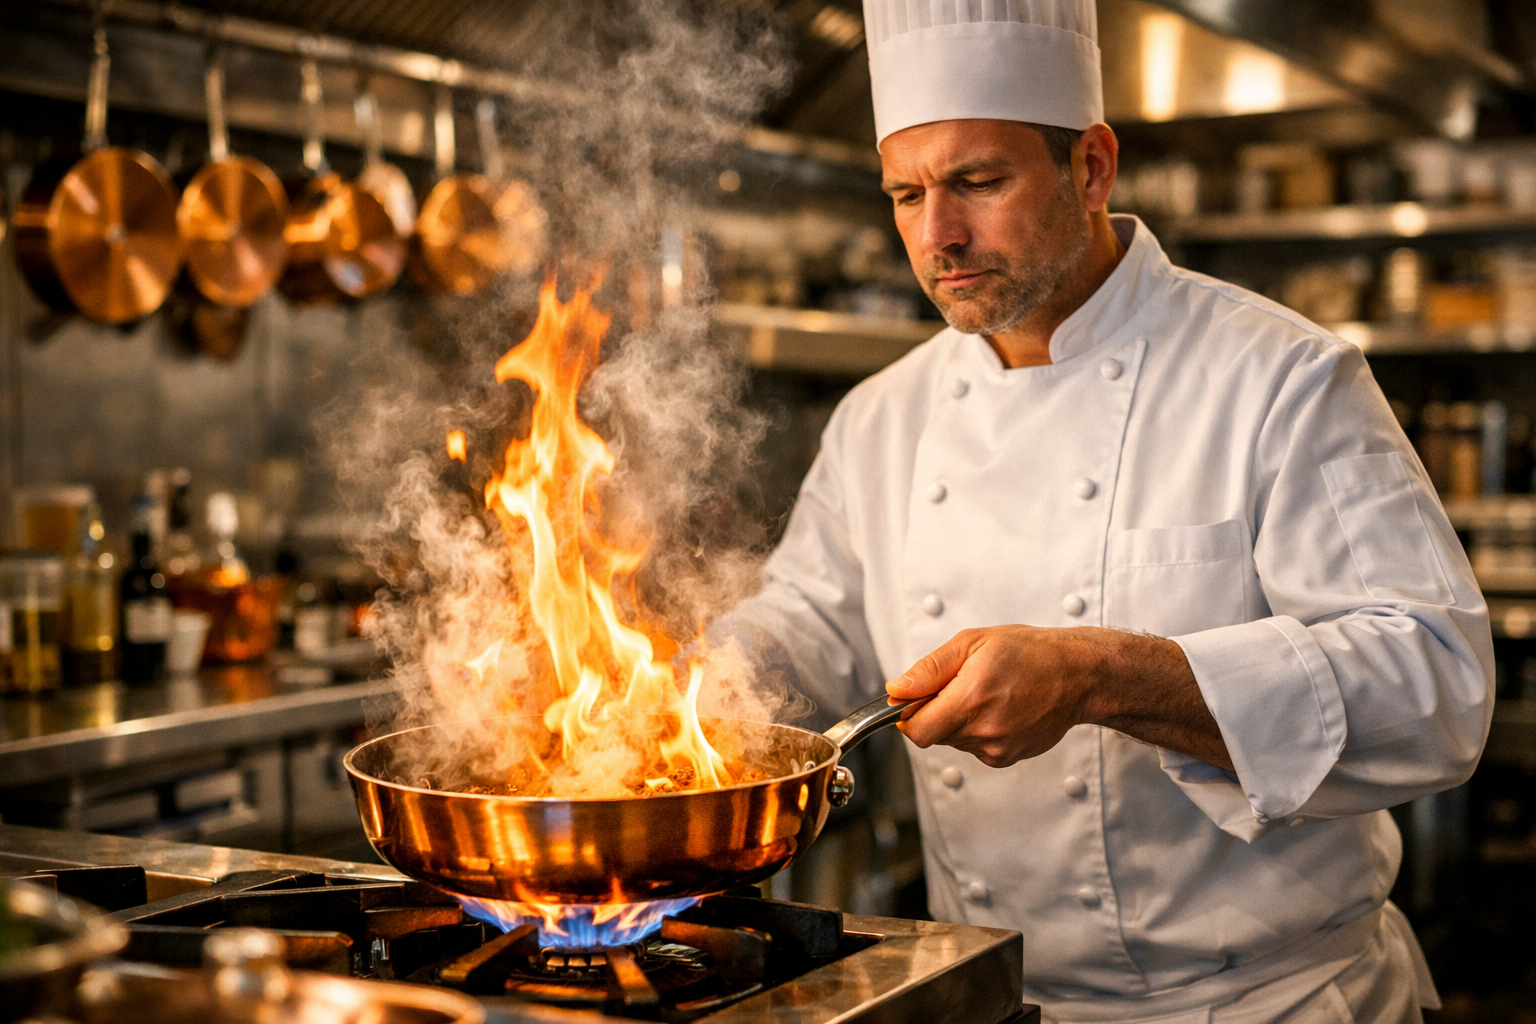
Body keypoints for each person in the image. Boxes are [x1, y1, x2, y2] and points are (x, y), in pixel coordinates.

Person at [722, 1, 1495, 1020]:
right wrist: (696, 689)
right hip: (996, 1000)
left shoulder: (1280, 377)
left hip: (1267, 1003)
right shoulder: (881, 417)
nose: (937, 235)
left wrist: (1101, 674)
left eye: (978, 182)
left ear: (1090, 167)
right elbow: (808, 624)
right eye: (906, 195)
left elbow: (1436, 685)